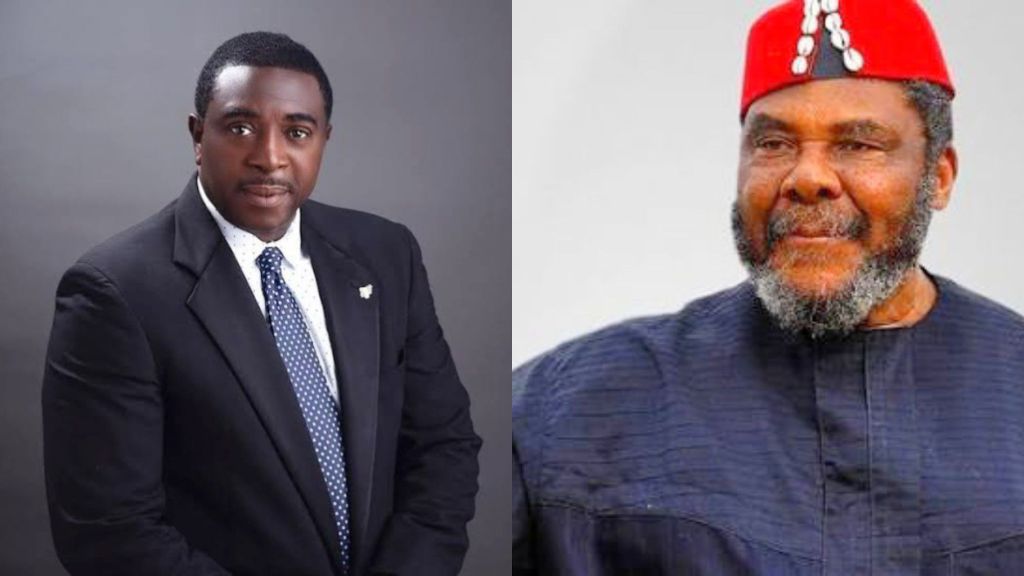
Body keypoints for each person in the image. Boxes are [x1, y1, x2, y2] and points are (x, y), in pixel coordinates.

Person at [513, 1, 1024, 574]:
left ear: (940, 177)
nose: (807, 178)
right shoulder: (570, 411)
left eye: (857, 143)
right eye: (774, 144)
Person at [43, 32, 480, 576]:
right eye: (241, 128)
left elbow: (443, 446)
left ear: (323, 140)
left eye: (297, 132)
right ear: (198, 135)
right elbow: (110, 532)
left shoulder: (387, 255)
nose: (269, 157)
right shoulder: (115, 291)